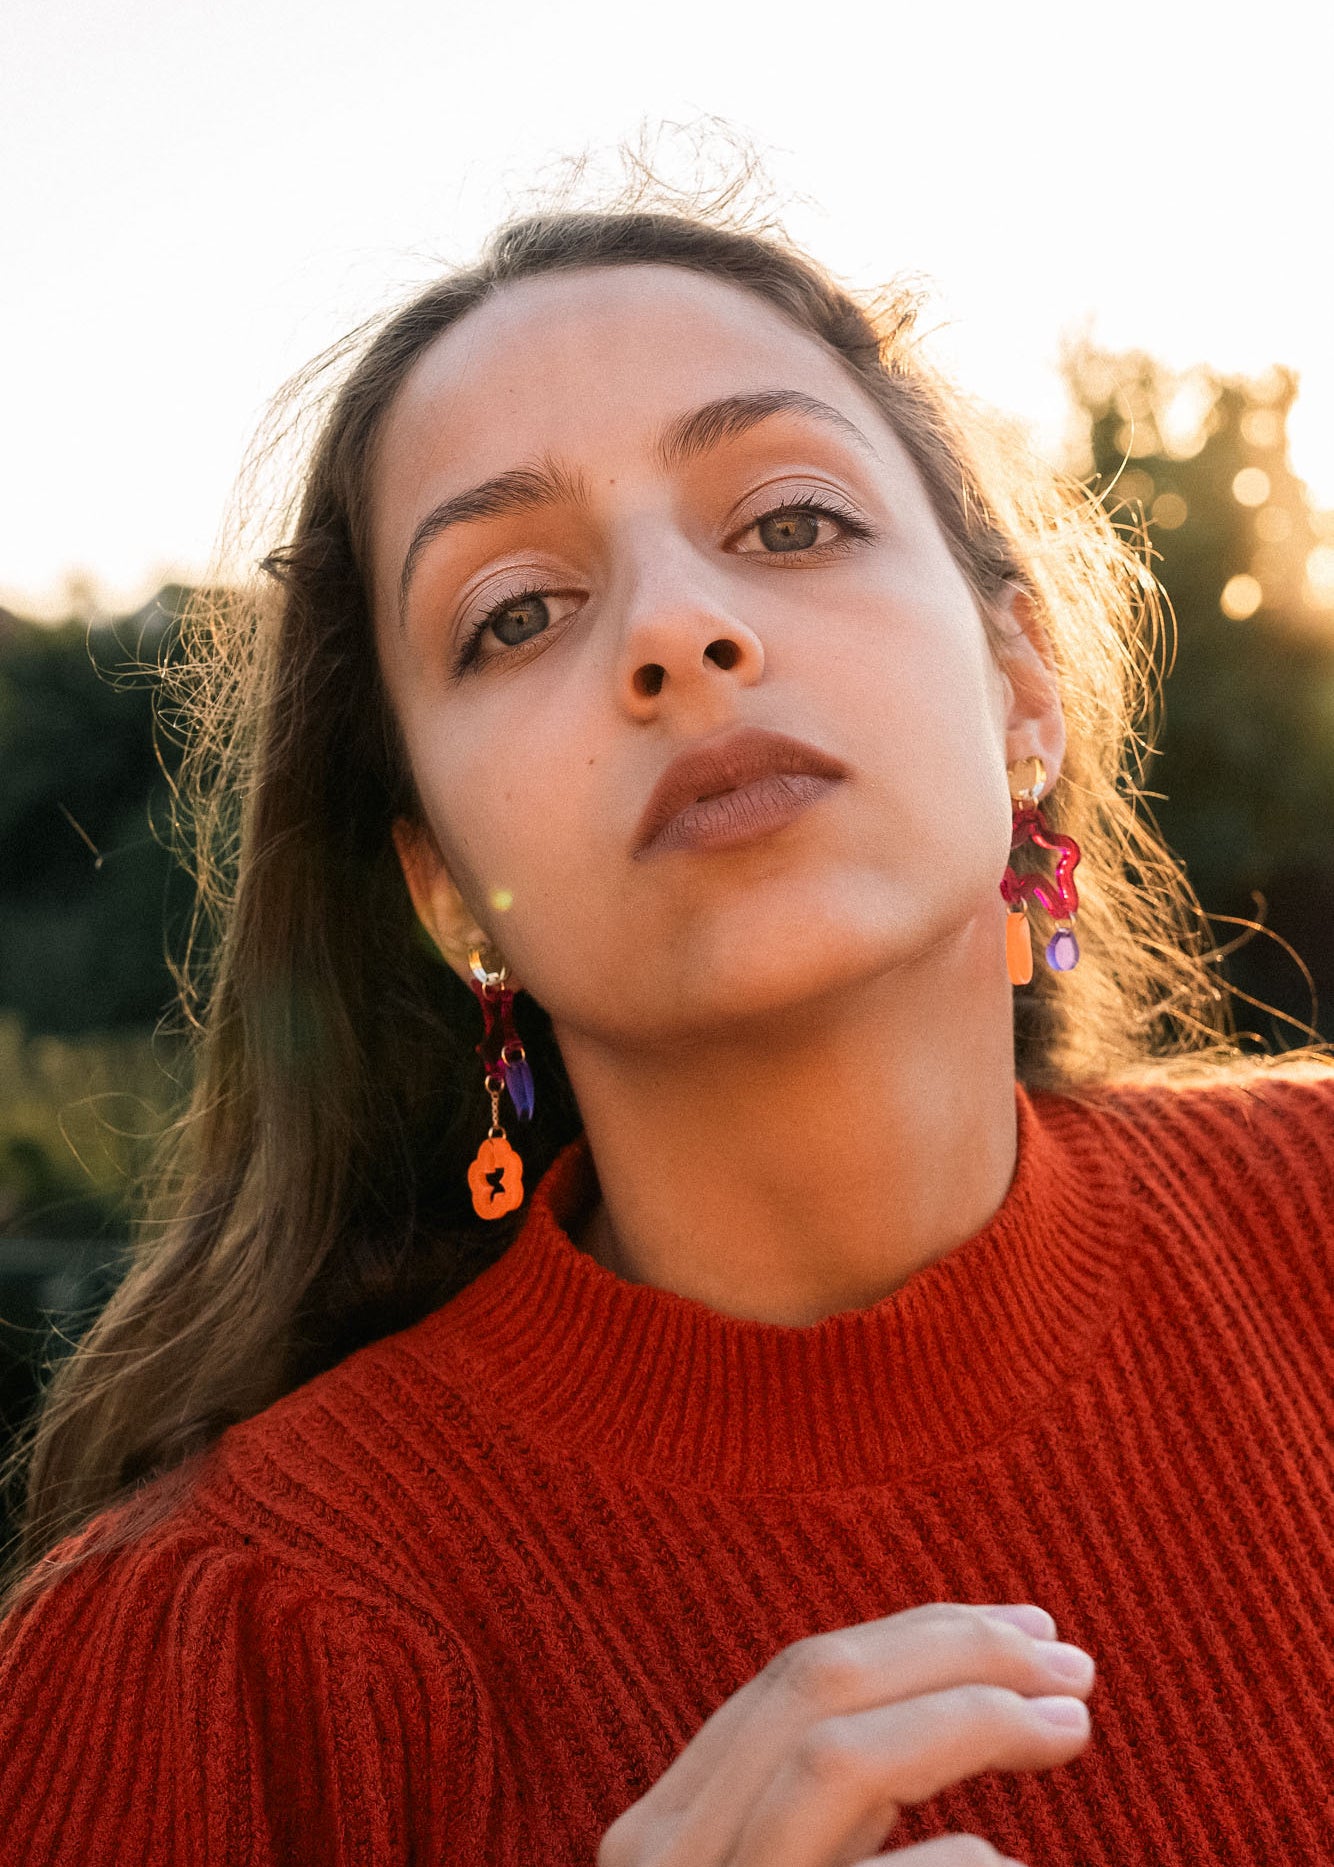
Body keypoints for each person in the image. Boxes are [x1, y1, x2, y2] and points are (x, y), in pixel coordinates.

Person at [1, 178, 1332, 1867]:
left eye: (787, 521)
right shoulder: (222, 1667)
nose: (675, 634)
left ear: (1017, 687)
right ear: (444, 891)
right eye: (514, 615)